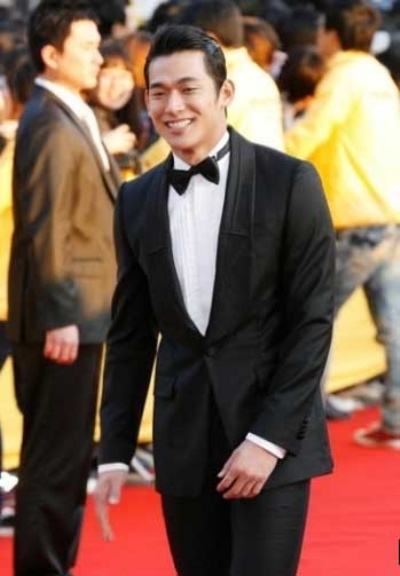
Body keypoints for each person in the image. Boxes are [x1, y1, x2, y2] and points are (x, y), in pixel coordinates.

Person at [95, 24, 335, 576]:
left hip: (271, 439)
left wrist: (267, 440)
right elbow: (130, 335)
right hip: (184, 442)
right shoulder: (136, 199)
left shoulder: (289, 181)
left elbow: (312, 322)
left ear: (224, 92)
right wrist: (114, 450)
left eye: (188, 89)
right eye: (158, 92)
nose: (172, 106)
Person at [8, 1, 120, 574]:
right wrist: (59, 316)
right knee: (56, 459)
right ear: (52, 55)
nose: (100, 57)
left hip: (81, 309)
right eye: (88, 47)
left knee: (69, 455)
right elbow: (46, 226)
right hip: (65, 316)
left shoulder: (70, 111)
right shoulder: (50, 123)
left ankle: (54, 564)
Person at [285, 0, 400, 437]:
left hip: (354, 218)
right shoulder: (379, 77)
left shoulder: (343, 77)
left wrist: (262, 161)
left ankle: (302, 425)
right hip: (387, 215)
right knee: (393, 325)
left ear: (332, 34)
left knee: (312, 319)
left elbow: (310, 133)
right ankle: (396, 418)